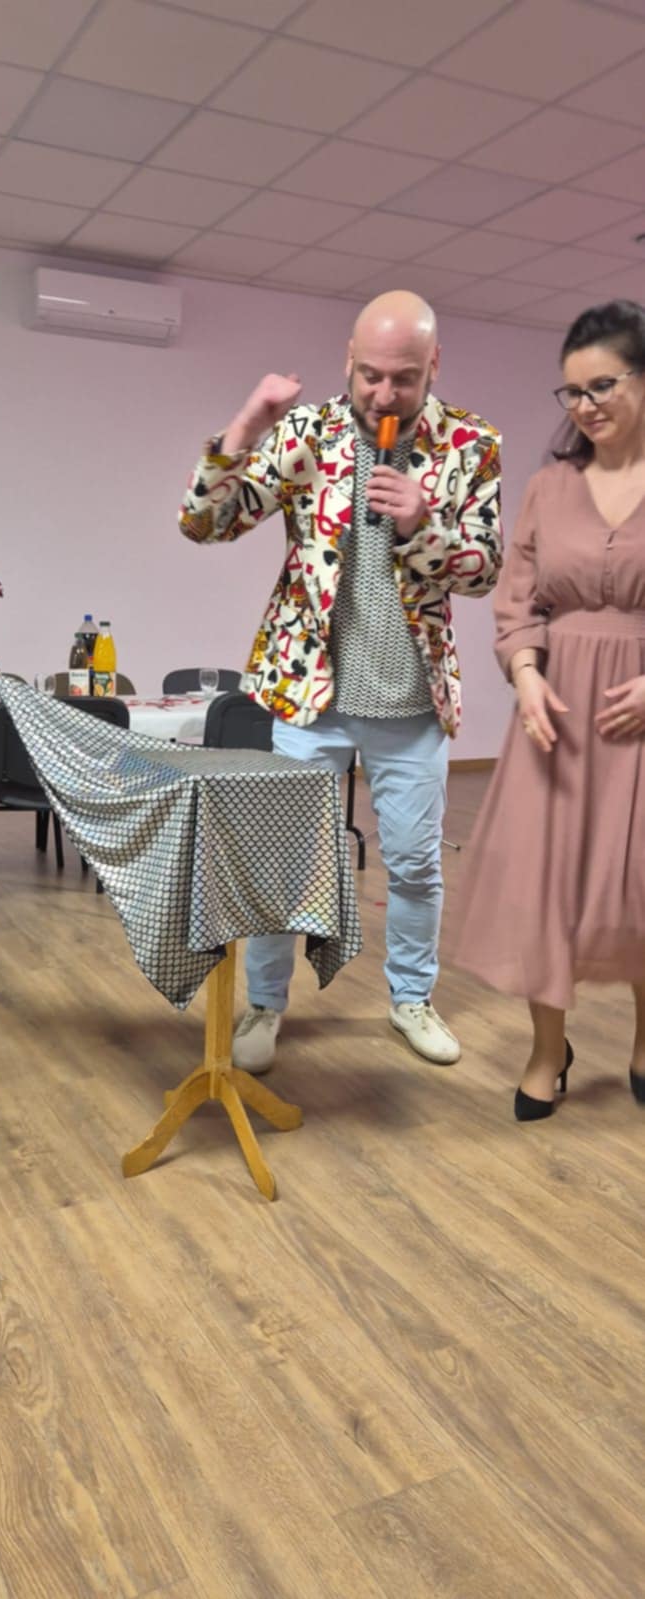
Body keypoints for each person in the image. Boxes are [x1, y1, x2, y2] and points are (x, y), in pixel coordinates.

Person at [179, 290, 502, 1073]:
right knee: (280, 863)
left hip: (411, 703)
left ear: (433, 366)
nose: (383, 395)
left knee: (415, 865)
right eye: (370, 376)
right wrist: (245, 428)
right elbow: (203, 523)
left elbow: (484, 570)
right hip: (307, 696)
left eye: (403, 378)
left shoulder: (471, 443)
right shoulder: (307, 432)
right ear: (347, 361)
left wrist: (421, 524)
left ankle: (411, 999)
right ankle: (264, 1004)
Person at [451, 299, 645, 1121]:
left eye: (602, 385)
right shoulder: (547, 486)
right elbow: (516, 598)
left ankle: (644, 1043)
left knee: (638, 883)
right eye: (571, 391)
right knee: (547, 887)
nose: (585, 405)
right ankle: (546, 1050)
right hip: (555, 713)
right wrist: (525, 675)